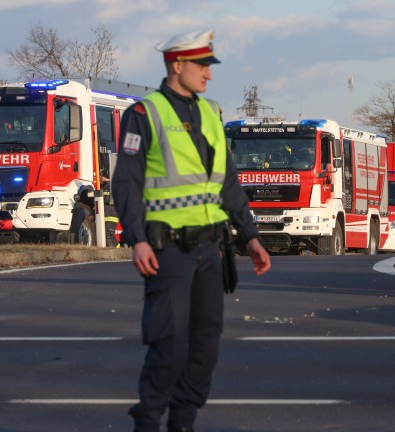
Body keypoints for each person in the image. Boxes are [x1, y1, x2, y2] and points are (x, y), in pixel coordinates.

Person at [112, 29, 271, 432]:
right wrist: (137, 239)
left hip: (211, 251)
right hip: (168, 251)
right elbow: (126, 182)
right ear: (177, 65)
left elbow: (228, 182)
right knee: (171, 348)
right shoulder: (144, 114)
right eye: (202, 66)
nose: (209, 75)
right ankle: (147, 422)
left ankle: (182, 424)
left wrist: (250, 235)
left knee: (205, 349)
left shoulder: (211, 113)